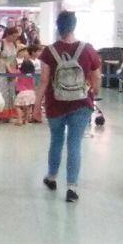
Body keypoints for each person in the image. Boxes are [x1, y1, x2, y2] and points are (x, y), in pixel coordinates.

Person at [36, 11, 102, 203]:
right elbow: (97, 77)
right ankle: (72, 188)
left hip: (55, 102)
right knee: (74, 143)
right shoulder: (88, 49)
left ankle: (51, 177)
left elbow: (44, 81)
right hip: (81, 103)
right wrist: (94, 92)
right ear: (74, 26)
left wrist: (36, 105)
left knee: (56, 140)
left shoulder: (49, 51)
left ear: (58, 27)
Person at [0, 26, 20, 122]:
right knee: (1, 92)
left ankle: (7, 114)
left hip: (10, 71)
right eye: (13, 36)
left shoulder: (14, 44)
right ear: (8, 34)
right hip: (1, 70)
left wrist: (15, 70)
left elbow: (14, 59)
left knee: (10, 93)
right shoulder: (0, 44)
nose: (15, 38)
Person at [14, 57, 37, 125]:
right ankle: (26, 121)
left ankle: (20, 119)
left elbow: (12, 73)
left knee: (17, 106)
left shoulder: (19, 72)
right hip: (31, 92)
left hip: (22, 92)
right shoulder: (32, 74)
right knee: (27, 108)